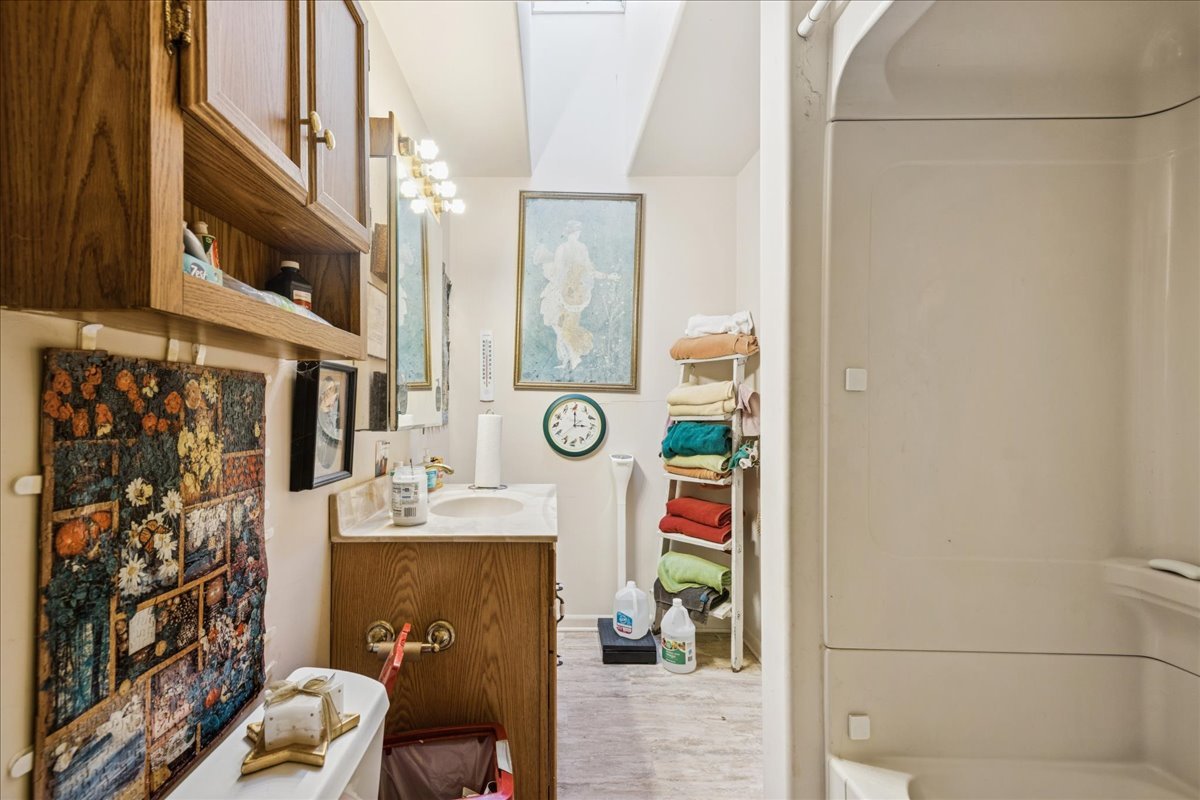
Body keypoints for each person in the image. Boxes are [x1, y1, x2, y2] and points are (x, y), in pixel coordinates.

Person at [536, 220, 619, 370]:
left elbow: (588, 270)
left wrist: (606, 276)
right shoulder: (569, 248)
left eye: (577, 232)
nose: (575, 235)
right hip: (567, 291)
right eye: (573, 232)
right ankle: (568, 360)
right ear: (569, 233)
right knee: (559, 326)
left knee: (563, 327)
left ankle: (573, 358)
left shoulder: (579, 248)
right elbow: (560, 272)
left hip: (571, 293)